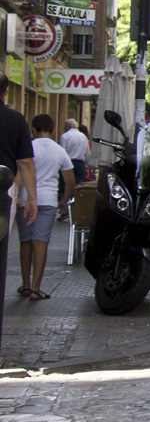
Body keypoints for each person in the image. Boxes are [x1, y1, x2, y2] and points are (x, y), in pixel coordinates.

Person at [15, 114, 72, 300]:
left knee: (25, 242)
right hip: (47, 201)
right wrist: (64, 200)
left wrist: (15, 194)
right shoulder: (60, 151)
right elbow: (69, 180)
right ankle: (35, 288)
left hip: (24, 200)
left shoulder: (27, 147)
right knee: (41, 243)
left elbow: (19, 171)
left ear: (33, 129)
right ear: (53, 130)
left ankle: (24, 284)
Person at [0, 71, 37, 232]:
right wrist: (31, 198)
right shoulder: (16, 119)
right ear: (6, 92)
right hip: (4, 186)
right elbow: (25, 162)